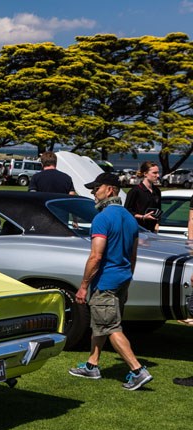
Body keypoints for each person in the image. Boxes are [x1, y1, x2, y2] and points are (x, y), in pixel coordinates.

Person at [68, 172, 153, 391]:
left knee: (110, 326)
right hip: (122, 279)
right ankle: (92, 364)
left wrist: (84, 286)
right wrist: (127, 276)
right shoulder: (129, 218)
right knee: (102, 322)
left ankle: (137, 370)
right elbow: (133, 256)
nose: (93, 193)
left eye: (96, 188)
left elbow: (96, 256)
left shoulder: (102, 218)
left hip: (106, 281)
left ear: (110, 190)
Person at [124, 161, 161, 232]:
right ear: (145, 174)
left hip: (152, 231)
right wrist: (143, 217)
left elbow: (158, 210)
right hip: (138, 230)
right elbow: (126, 212)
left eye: (158, 172)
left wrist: (157, 223)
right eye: (154, 173)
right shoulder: (135, 191)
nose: (158, 175)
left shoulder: (157, 191)